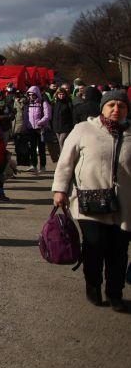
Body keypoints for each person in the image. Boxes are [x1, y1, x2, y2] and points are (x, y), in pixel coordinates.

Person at [52, 90, 130, 313]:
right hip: (90, 201)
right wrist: (60, 190)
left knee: (119, 250)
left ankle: (115, 293)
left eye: (121, 106)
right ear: (102, 107)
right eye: (111, 105)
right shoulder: (83, 130)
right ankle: (93, 284)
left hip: (125, 203)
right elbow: (66, 163)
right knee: (94, 246)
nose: (116, 109)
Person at [22, 86, 52, 174]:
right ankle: (33, 165)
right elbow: (25, 116)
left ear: (37, 94)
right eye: (29, 95)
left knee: (42, 148)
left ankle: (43, 166)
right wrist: (25, 126)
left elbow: (48, 115)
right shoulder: (27, 104)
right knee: (32, 148)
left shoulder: (43, 103)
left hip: (40, 129)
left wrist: (40, 122)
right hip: (30, 129)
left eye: (33, 95)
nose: (31, 96)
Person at [51, 86, 75, 151]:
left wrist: (72, 125)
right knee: (60, 143)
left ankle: (62, 159)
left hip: (66, 126)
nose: (61, 96)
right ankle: (64, 157)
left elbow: (72, 114)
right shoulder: (54, 103)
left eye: (63, 94)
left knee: (62, 141)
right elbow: (53, 115)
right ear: (57, 94)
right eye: (60, 94)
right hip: (56, 126)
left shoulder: (68, 103)